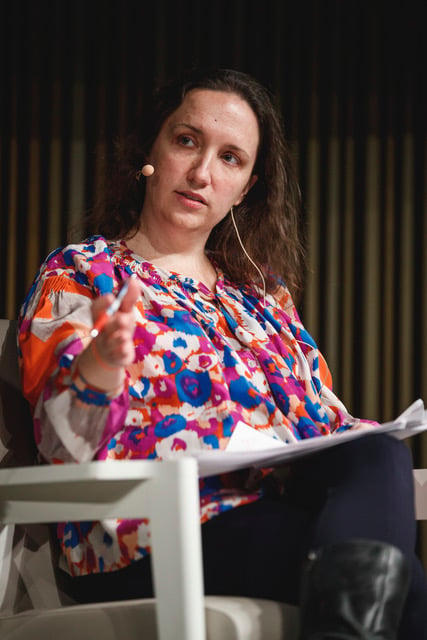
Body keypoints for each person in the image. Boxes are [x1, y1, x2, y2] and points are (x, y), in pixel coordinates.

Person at [18, 68, 427, 638]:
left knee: (379, 456)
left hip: (271, 505)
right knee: (408, 585)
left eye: (230, 158)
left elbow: (326, 422)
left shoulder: (265, 300)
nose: (202, 173)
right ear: (150, 152)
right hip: (145, 530)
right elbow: (58, 440)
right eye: (187, 141)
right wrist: (102, 362)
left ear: (247, 186)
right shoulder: (85, 272)